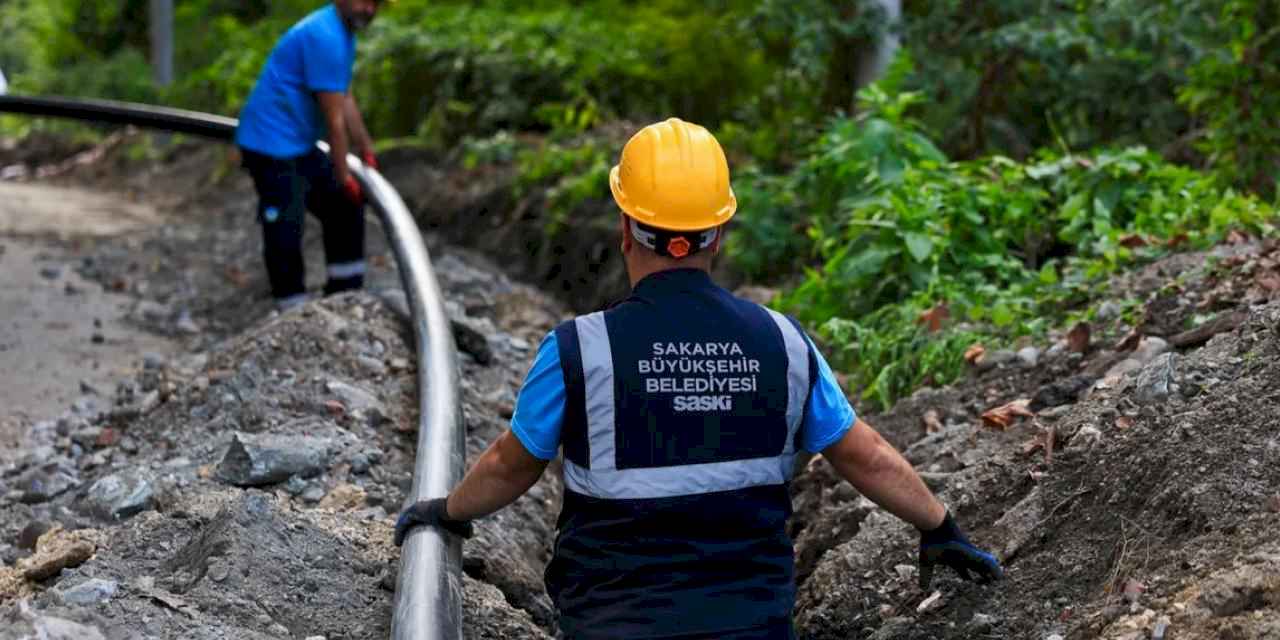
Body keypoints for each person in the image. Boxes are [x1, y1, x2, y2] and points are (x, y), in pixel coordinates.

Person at [395, 118, 1003, 638]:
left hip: (613, 625)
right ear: (720, 233)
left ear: (626, 227)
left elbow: (512, 464)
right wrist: (938, 524)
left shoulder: (578, 348)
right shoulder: (783, 343)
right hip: (752, 624)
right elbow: (862, 453)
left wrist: (447, 512)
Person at [234, 0, 387, 310]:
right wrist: (344, 176)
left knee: (345, 207)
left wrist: (366, 148)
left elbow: (343, 95)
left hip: (299, 144)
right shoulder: (324, 35)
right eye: (363, 0)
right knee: (286, 225)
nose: (369, 9)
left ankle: (346, 296)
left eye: (376, 3)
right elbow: (334, 121)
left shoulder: (344, 31)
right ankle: (291, 309)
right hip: (270, 144)